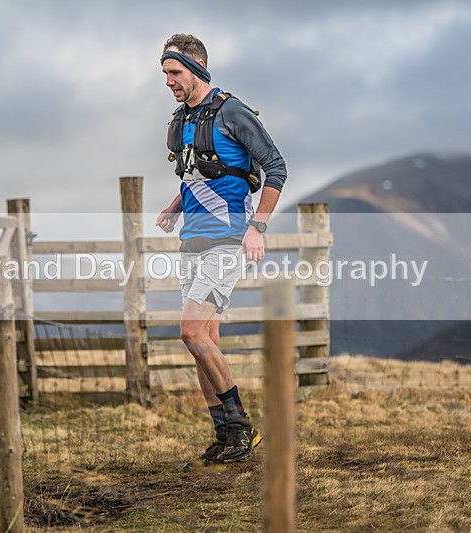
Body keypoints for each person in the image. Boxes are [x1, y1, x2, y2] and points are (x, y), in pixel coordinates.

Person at [155, 34, 288, 468]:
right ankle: (224, 433)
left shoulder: (232, 111)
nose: (169, 82)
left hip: (227, 240)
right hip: (192, 240)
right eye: (165, 75)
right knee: (203, 341)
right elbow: (195, 173)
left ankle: (242, 427)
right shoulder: (183, 120)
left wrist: (258, 228)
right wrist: (175, 206)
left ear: (198, 67)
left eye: (175, 72)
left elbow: (276, 167)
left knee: (190, 332)